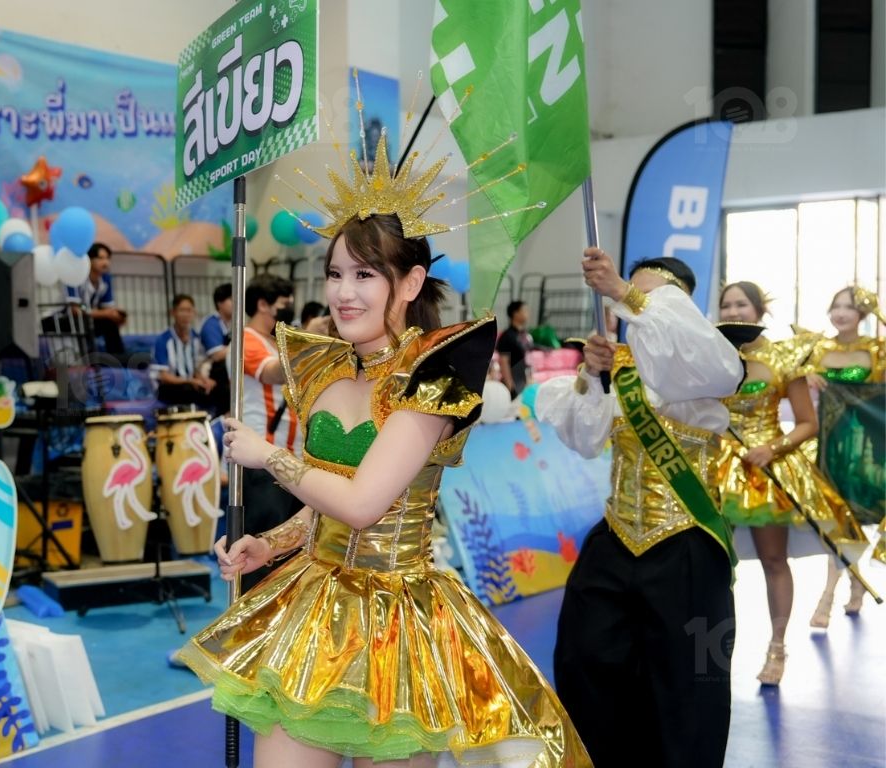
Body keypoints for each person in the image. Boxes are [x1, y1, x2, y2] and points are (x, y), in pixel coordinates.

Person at [179, 213, 591, 767]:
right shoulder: (325, 371)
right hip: (315, 615)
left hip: (396, 629)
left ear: (412, 282)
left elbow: (363, 504)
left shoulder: (432, 382)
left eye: (365, 274)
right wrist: (271, 544)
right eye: (335, 274)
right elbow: (328, 504)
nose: (344, 293)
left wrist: (268, 455)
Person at [537, 252, 743, 768]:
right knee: (586, 660)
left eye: (652, 295)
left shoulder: (710, 362)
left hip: (687, 544)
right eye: (629, 291)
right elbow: (585, 439)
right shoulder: (619, 368)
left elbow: (695, 365)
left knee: (692, 682)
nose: (632, 300)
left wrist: (626, 293)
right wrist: (592, 376)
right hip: (616, 540)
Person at [714, 281, 862, 684]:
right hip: (714, 470)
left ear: (759, 310)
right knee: (711, 565)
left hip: (764, 473)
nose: (733, 311)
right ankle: (707, 650)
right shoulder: (711, 355)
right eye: (726, 304)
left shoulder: (783, 356)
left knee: (773, 561)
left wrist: (771, 448)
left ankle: (777, 647)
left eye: (741, 304)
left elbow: (807, 423)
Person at [802, 285, 885, 624]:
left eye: (849, 307)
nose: (840, 313)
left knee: (860, 518)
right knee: (838, 520)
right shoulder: (815, 349)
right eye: (835, 306)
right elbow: (789, 383)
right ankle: (833, 589)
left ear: (862, 312)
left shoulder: (877, 350)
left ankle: (848, 584)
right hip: (828, 447)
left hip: (867, 449)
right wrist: (805, 376)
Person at [238, 273, 301, 591]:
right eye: (283, 305)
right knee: (262, 548)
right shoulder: (246, 339)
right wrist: (310, 347)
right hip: (262, 460)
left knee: (291, 550)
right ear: (263, 305)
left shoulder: (277, 342)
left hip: (291, 459)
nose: (288, 311)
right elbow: (274, 374)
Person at [153, 293, 216, 408]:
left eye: (189, 310)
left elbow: (195, 370)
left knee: (216, 388)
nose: (186, 315)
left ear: (194, 313)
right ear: (173, 313)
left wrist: (204, 380)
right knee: (188, 389)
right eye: (182, 310)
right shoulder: (163, 340)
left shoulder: (196, 339)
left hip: (190, 384)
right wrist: (190, 381)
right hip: (169, 388)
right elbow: (164, 377)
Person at [66, 242, 127, 359]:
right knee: (99, 321)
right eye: (101, 258)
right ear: (89, 260)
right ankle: (111, 357)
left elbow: (106, 307)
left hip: (87, 319)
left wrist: (116, 315)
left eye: (108, 258)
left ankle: (117, 357)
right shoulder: (76, 276)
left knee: (110, 321)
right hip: (65, 320)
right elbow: (76, 309)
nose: (105, 262)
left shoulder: (105, 278)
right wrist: (102, 313)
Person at [199, 282, 233, 415]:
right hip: (207, 373)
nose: (237, 303)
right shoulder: (211, 324)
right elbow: (217, 355)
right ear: (220, 303)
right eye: (232, 299)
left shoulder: (232, 323)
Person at [495, 300, 535, 396]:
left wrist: (530, 379)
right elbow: (503, 361)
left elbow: (529, 359)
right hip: (514, 384)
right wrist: (510, 384)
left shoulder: (526, 336)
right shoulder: (507, 336)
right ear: (515, 313)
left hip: (526, 382)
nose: (528, 313)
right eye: (524, 310)